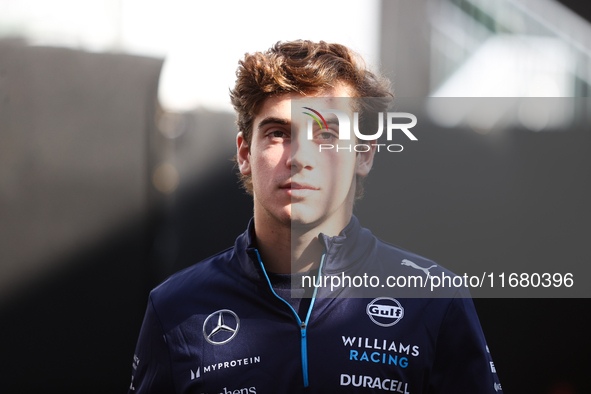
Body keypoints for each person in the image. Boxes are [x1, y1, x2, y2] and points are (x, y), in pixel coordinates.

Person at [128, 40, 503, 393]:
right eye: (278, 133)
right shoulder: (175, 308)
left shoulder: (435, 299)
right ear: (245, 153)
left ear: (364, 155)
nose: (299, 157)